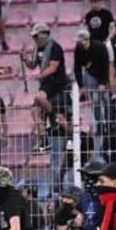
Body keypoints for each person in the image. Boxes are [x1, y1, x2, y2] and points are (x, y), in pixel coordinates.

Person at [22, 22, 70, 152]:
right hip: (45, 83)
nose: (35, 39)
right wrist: (26, 60)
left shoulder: (55, 47)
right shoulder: (38, 49)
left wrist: (40, 75)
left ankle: (53, 117)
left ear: (44, 34)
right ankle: (44, 139)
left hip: (56, 82)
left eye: (36, 36)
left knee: (39, 97)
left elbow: (53, 67)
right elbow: (32, 65)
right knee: (34, 112)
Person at [74, 28, 115, 156]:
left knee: (106, 99)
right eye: (81, 42)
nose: (83, 44)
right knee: (96, 100)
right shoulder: (78, 49)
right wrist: (81, 85)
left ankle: (110, 122)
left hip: (102, 73)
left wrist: (103, 82)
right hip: (91, 73)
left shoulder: (100, 47)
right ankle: (99, 123)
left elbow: (105, 65)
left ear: (88, 40)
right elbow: (77, 68)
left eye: (85, 41)